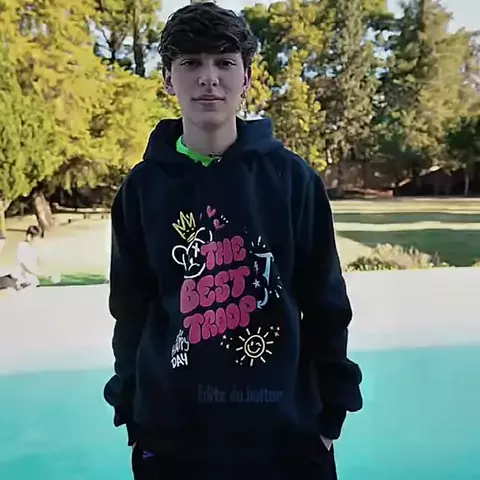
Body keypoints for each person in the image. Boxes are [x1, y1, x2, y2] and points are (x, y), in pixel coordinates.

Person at [103, 3, 363, 480]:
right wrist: (133, 415)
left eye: (224, 62)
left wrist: (329, 418)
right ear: (168, 79)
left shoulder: (293, 180)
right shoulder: (141, 189)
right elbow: (130, 311)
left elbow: (326, 305)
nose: (209, 78)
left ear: (246, 78)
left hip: (287, 440)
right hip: (172, 443)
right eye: (191, 63)